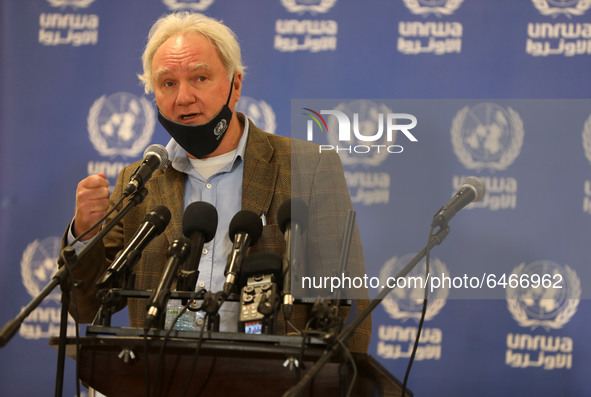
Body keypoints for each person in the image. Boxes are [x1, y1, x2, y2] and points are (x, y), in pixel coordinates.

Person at [63, 11, 371, 353]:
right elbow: (85, 306)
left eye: (200, 78)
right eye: (168, 83)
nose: (183, 97)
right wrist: (86, 237)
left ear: (235, 85)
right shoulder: (139, 182)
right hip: (160, 377)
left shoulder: (308, 167)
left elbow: (348, 307)